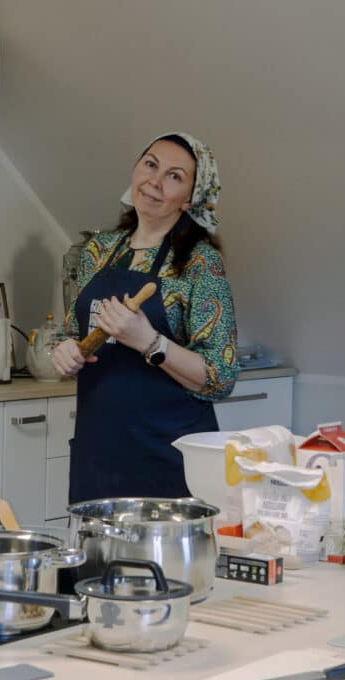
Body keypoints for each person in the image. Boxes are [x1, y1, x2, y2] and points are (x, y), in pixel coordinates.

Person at [52, 132, 239, 503]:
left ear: (190, 199)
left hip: (169, 457)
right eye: (150, 164)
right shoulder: (97, 251)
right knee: (94, 561)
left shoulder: (201, 264)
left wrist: (149, 342)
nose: (154, 181)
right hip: (99, 455)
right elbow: (72, 331)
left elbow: (220, 377)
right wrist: (64, 351)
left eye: (174, 176)